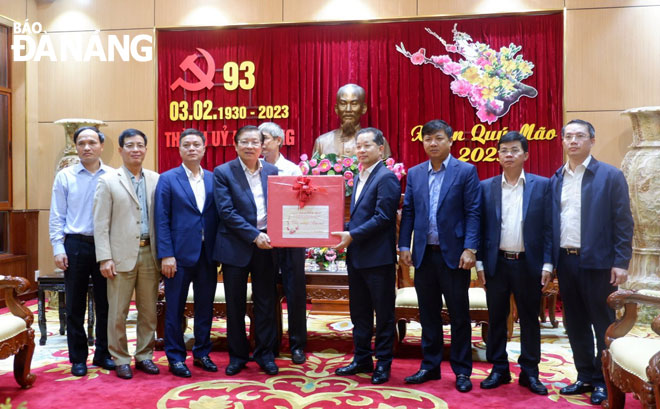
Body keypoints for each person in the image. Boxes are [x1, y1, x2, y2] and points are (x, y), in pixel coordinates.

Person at [551, 119, 633, 405]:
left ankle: (603, 380)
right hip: (566, 261)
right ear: (562, 141)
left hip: (599, 264)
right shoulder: (556, 178)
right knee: (574, 323)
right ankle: (584, 375)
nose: (573, 141)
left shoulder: (610, 176)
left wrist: (621, 261)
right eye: (568, 136)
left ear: (591, 140)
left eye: (580, 136)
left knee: (602, 323)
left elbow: (623, 222)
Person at [398, 119, 480, 392]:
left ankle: (462, 371)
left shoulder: (465, 171)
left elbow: (473, 212)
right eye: (427, 139)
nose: (432, 143)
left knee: (459, 316)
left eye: (438, 138)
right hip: (423, 255)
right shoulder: (416, 173)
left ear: (450, 140)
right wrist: (404, 246)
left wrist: (470, 248)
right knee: (428, 315)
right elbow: (408, 211)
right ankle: (430, 366)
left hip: (455, 256)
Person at [476, 131, 552, 395]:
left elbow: (549, 229)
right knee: (497, 318)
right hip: (496, 264)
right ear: (497, 155)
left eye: (514, 150)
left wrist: (548, 264)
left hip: (528, 264)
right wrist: (480, 265)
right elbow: (479, 228)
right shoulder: (485, 187)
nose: (508, 155)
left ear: (526, 155)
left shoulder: (542, 185)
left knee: (530, 319)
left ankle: (530, 372)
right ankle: (499, 368)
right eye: (504, 150)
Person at [332, 127, 401, 385]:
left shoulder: (386, 178)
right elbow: (360, 217)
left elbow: (383, 219)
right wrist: (341, 231)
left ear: (380, 149)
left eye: (367, 146)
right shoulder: (360, 176)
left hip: (379, 259)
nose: (360, 150)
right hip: (358, 256)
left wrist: (352, 235)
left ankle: (383, 363)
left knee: (383, 314)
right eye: (358, 146)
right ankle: (361, 358)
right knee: (359, 312)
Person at [93, 128, 161, 380]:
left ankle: (144, 355)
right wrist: (105, 257)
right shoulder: (108, 180)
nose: (135, 150)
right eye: (130, 145)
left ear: (146, 149)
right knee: (118, 311)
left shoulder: (156, 179)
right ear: (121, 150)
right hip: (119, 256)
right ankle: (120, 357)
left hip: (149, 253)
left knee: (148, 310)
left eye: (140, 145)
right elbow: (100, 223)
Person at [213, 125, 280, 376]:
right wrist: (254, 236)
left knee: (266, 303)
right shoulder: (223, 172)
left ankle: (265, 354)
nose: (250, 146)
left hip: (268, 247)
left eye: (255, 142)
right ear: (235, 145)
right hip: (236, 246)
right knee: (235, 305)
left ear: (262, 146)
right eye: (245, 142)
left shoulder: (272, 172)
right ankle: (238, 356)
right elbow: (226, 212)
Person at [49, 126, 114, 376]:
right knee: (74, 305)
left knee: (106, 304)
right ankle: (77, 358)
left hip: (104, 246)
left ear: (101, 145)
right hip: (74, 244)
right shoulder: (65, 176)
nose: (87, 147)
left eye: (92, 142)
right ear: (76, 147)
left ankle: (103, 354)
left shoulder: (112, 176)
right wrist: (58, 247)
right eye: (82, 143)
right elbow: (57, 215)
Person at [154, 128, 218, 378]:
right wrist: (166, 254)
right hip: (177, 257)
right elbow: (162, 219)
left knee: (205, 307)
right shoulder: (168, 179)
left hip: (208, 255)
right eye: (187, 145)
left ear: (204, 149)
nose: (192, 148)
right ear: (179, 149)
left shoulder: (213, 179)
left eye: (196, 145)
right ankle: (176, 357)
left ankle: (202, 353)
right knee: (174, 308)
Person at [259, 121, 307, 364]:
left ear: (279, 141)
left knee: (295, 293)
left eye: (265, 138)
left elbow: (302, 204)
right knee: (265, 294)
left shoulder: (292, 170)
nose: (261, 143)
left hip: (291, 239)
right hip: (264, 241)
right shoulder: (254, 168)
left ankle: (298, 345)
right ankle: (269, 344)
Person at [312, 84, 391, 158]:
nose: (348, 110)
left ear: (363, 108)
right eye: (343, 104)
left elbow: (386, 171)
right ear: (336, 109)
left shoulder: (379, 141)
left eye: (354, 104)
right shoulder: (322, 143)